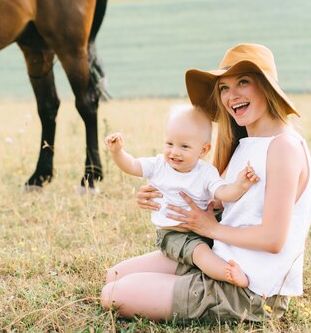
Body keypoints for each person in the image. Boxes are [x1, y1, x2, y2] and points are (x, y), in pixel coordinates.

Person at [101, 43, 311, 322]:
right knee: (113, 275)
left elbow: (273, 239)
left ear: (267, 87)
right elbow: (227, 207)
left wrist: (209, 227)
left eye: (243, 82)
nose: (231, 95)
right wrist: (165, 194)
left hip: (251, 291)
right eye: (224, 87)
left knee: (113, 294)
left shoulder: (284, 146)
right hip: (219, 259)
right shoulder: (245, 145)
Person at [105, 103, 259, 288]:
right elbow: (132, 166)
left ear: (203, 150)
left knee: (203, 250)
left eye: (184, 147)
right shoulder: (158, 165)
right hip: (174, 236)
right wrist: (117, 152)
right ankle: (229, 275)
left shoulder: (206, 172)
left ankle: (205, 269)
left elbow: (223, 193)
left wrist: (240, 185)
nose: (174, 152)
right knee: (201, 253)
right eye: (169, 144)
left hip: (203, 229)